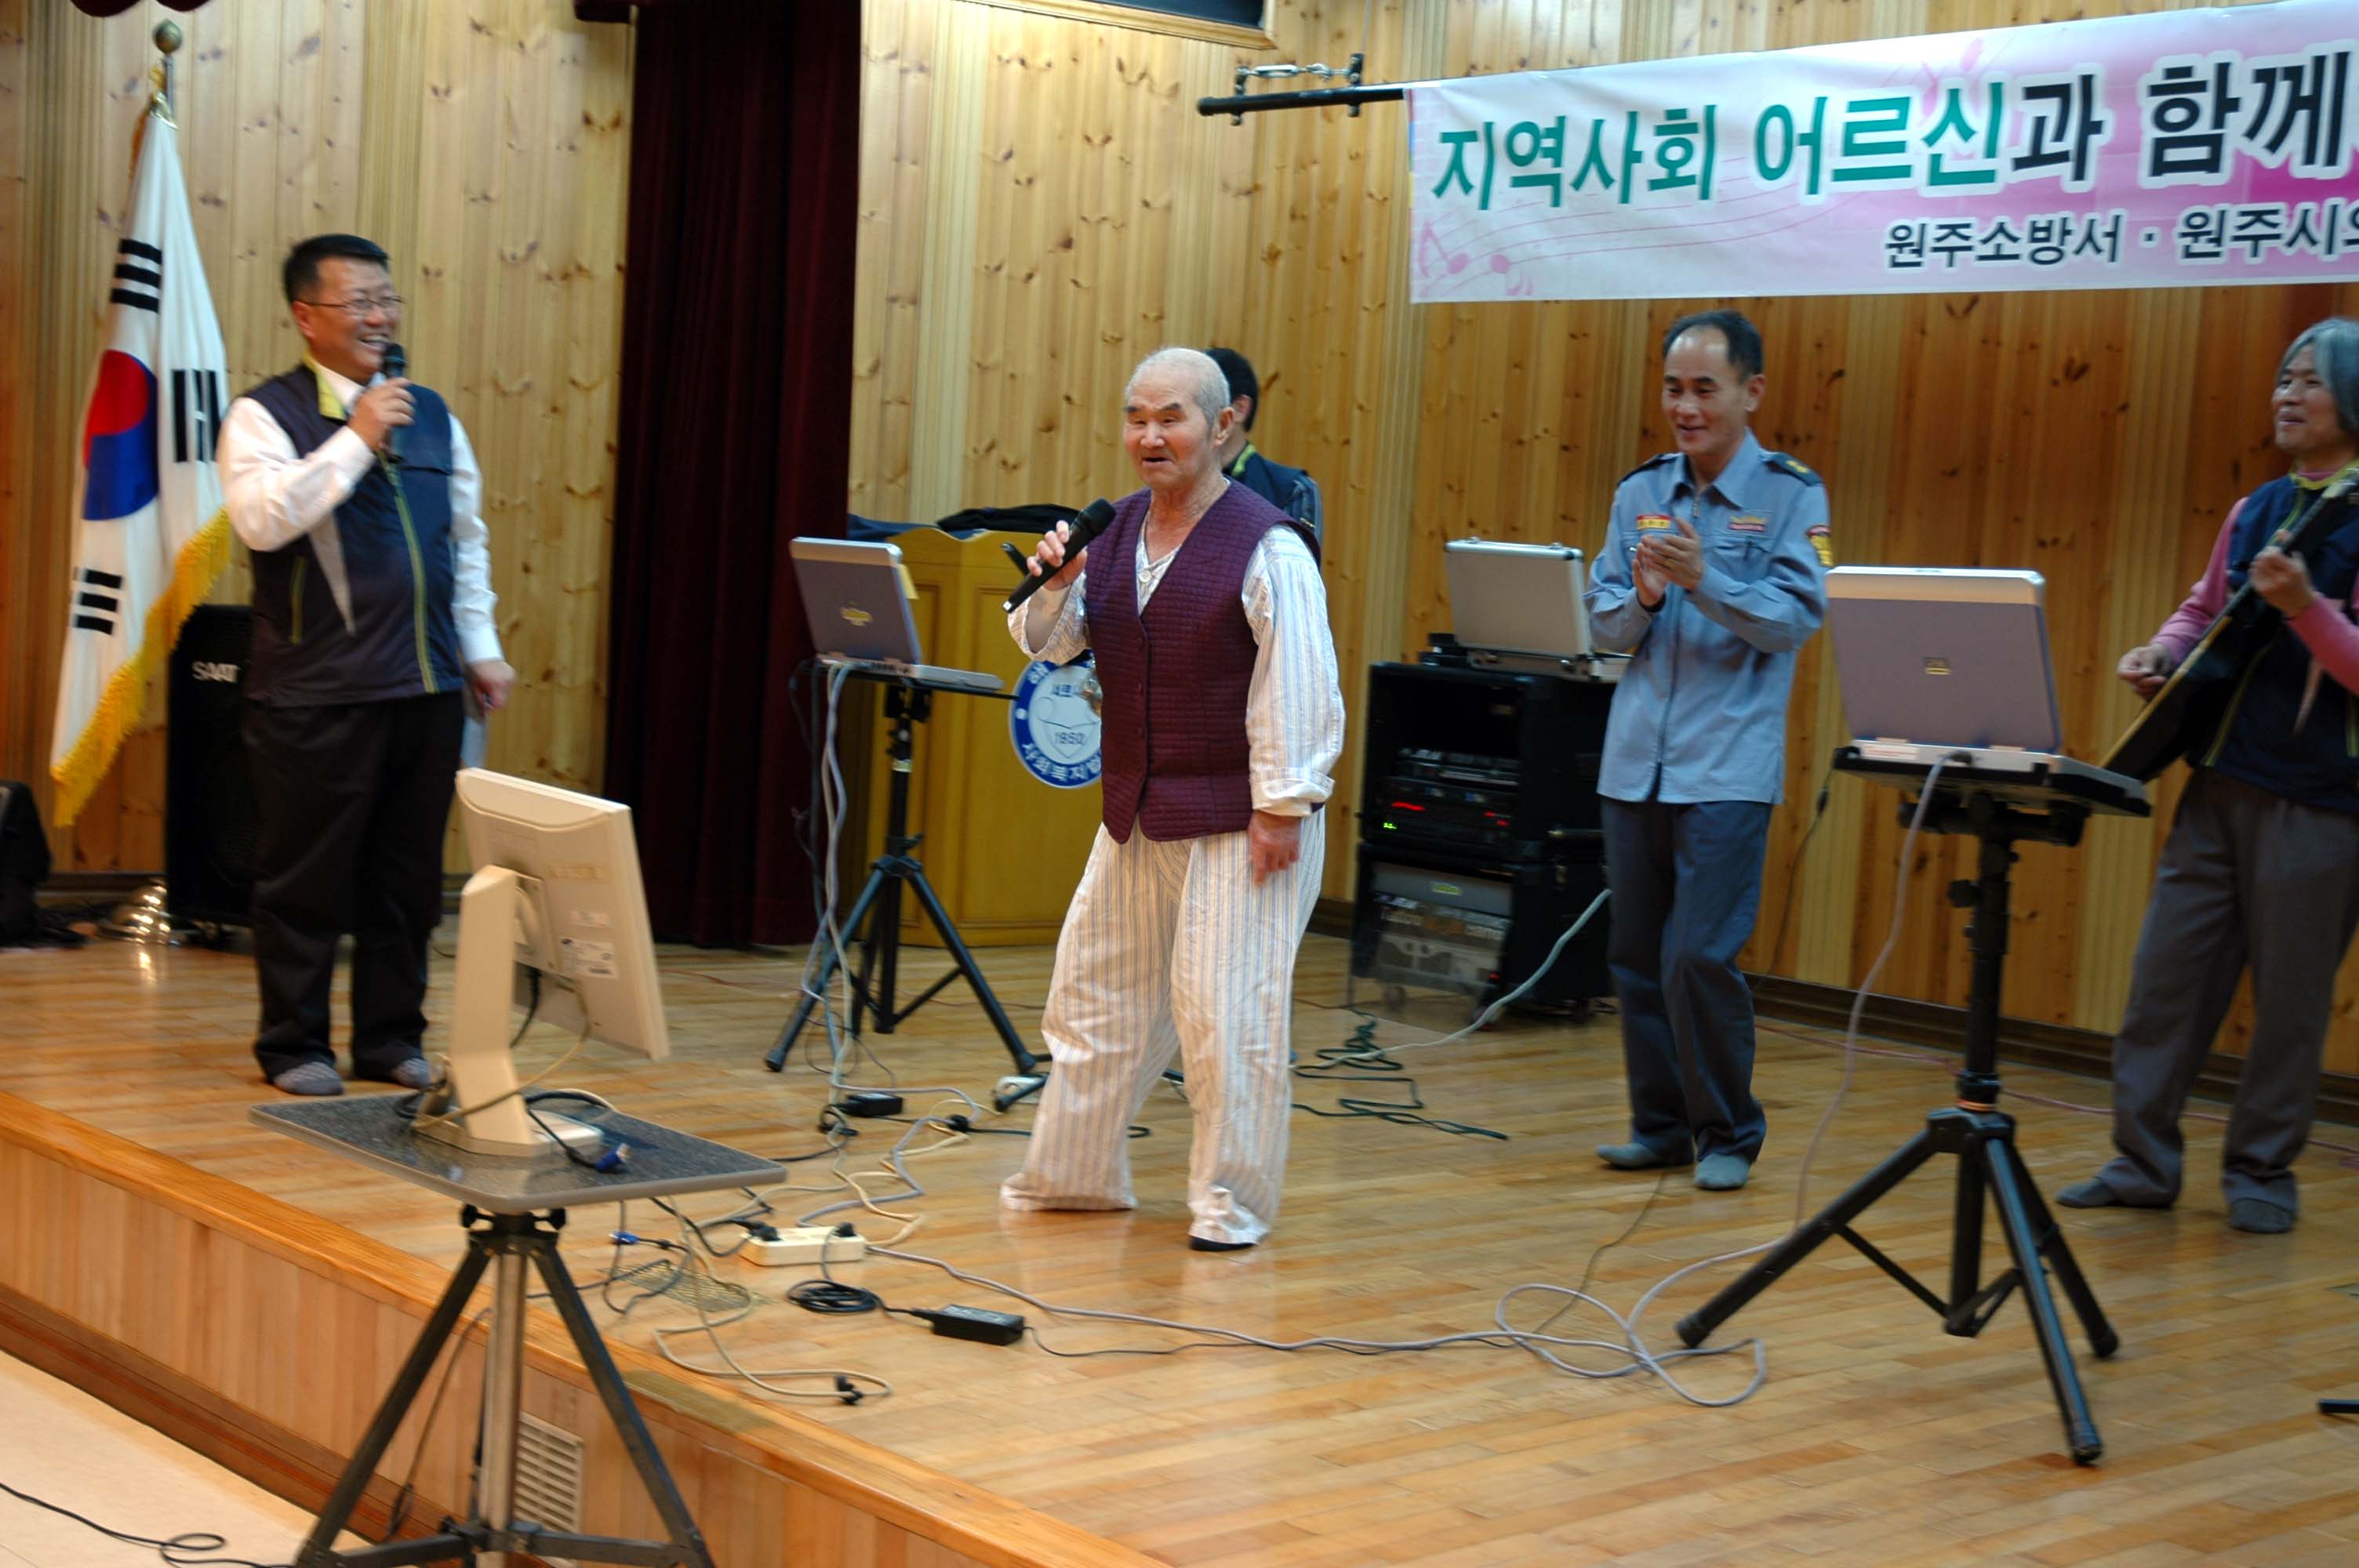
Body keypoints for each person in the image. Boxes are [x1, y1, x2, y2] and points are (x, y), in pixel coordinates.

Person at [1001, 347, 1344, 1250]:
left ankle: (1230, 1206)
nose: (1148, 436)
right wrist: (1056, 582)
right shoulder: (1112, 532)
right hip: (1136, 807)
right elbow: (1050, 644)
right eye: (1135, 417)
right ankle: (1071, 1176)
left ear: (1223, 424)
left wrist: (1284, 804)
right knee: (1093, 996)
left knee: (1225, 1013)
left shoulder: (1268, 543)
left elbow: (1300, 680)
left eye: (1170, 418)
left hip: (1243, 816)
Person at [2059, 318, 2359, 1236]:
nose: (2285, 394)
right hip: (2217, 783)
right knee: (2165, 981)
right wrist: (2159, 652)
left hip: (2322, 803)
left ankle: (2260, 1170)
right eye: (2281, 378)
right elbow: (2201, 610)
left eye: (2307, 380)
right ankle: (2139, 1161)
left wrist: (2304, 608)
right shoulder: (2257, 506)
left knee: (2289, 1004)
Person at [217, 234, 513, 1096]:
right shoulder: (263, 416)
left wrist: (482, 649)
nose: (380, 317)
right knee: (305, 882)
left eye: (387, 300)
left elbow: (464, 541)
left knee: (407, 882)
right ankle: (294, 1046)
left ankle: (389, 1038)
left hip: (426, 686)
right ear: (306, 316)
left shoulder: (433, 416)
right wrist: (355, 436)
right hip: (317, 692)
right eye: (359, 303)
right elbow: (264, 520)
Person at [1582, 309, 1830, 1192]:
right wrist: (1645, 598)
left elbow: (1794, 619)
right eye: (1672, 389)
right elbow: (1602, 624)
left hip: (1727, 766)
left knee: (1697, 957)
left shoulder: (1793, 495)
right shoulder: (1640, 491)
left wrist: (1705, 579)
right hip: (1635, 760)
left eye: (1703, 390)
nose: (1684, 408)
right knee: (1635, 957)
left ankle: (1727, 1131)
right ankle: (1659, 1128)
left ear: (1750, 392)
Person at [1203, 346, 1321, 543]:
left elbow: (1294, 562)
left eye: (1204, 401)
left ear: (1239, 409)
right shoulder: (1174, 480)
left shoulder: (1294, 489)